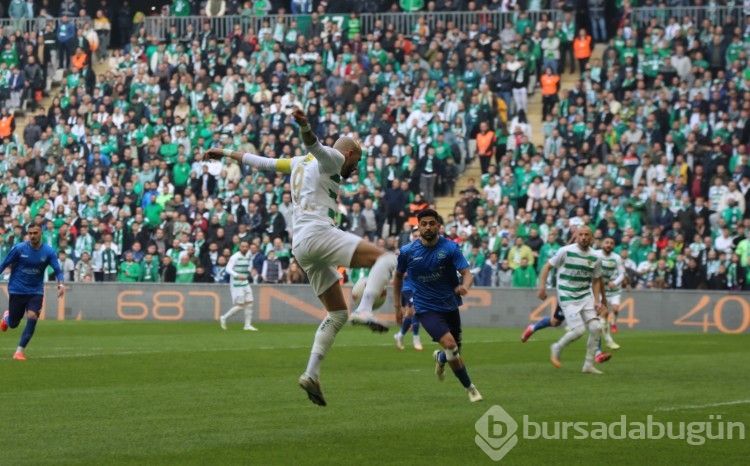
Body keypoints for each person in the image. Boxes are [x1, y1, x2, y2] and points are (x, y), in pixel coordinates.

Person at [206, 107, 397, 407]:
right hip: (319, 233)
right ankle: (366, 309)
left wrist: (226, 152)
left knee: (336, 314)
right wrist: (306, 127)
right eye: (356, 162)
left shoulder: (297, 163)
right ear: (348, 155)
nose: (355, 168)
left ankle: (311, 374)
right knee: (387, 258)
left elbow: (263, 162)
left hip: (301, 245)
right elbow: (315, 145)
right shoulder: (334, 158)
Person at [393, 209, 483, 402]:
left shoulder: (450, 248)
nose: (428, 227)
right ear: (418, 226)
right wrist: (397, 306)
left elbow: (467, 273)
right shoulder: (408, 252)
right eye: (423, 223)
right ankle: (470, 388)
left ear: (438, 226)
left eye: (431, 223)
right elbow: (398, 276)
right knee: (451, 345)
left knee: (454, 351)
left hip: (450, 305)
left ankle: (441, 358)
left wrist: (464, 286)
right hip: (426, 308)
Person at [537, 226, 607, 374]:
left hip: (585, 294)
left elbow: (596, 280)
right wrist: (542, 287)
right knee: (579, 330)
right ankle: (556, 347)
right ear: (576, 236)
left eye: (587, 235)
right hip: (566, 294)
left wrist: (597, 300)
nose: (583, 237)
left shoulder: (596, 256)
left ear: (592, 238)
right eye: (581, 234)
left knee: (596, 328)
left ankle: (588, 365)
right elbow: (546, 267)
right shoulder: (565, 251)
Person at [0, 223, 64, 360]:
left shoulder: (48, 252)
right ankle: (7, 317)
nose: (32, 236)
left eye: (35, 233)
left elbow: (57, 270)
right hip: (17, 289)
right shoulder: (19, 249)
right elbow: (4, 263)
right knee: (13, 324)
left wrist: (61, 283)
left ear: (41, 234)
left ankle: (19, 351)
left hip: (35, 291)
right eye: (30, 233)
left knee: (33, 317)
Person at [393, 228, 422, 351]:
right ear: (412, 237)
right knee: (416, 311)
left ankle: (399, 336)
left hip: (419, 286)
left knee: (410, 313)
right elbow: (399, 269)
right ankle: (416, 339)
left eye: (418, 235)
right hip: (407, 286)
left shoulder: (424, 251)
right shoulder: (407, 251)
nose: (417, 237)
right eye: (415, 235)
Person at [219, 239, 257, 331]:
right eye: (242, 246)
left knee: (250, 303)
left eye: (246, 247)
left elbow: (248, 265)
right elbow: (228, 268)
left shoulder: (248, 256)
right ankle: (224, 317)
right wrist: (237, 275)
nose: (244, 248)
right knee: (240, 305)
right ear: (239, 247)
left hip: (245, 282)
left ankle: (247, 325)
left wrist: (251, 270)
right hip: (236, 284)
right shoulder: (235, 257)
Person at [598, 237, 624, 350]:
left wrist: (615, 282)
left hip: (612, 290)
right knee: (601, 315)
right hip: (597, 289)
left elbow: (622, 274)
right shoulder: (596, 255)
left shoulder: (617, 258)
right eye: (607, 242)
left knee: (608, 312)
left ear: (614, 246)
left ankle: (609, 337)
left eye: (611, 243)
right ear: (602, 244)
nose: (609, 245)